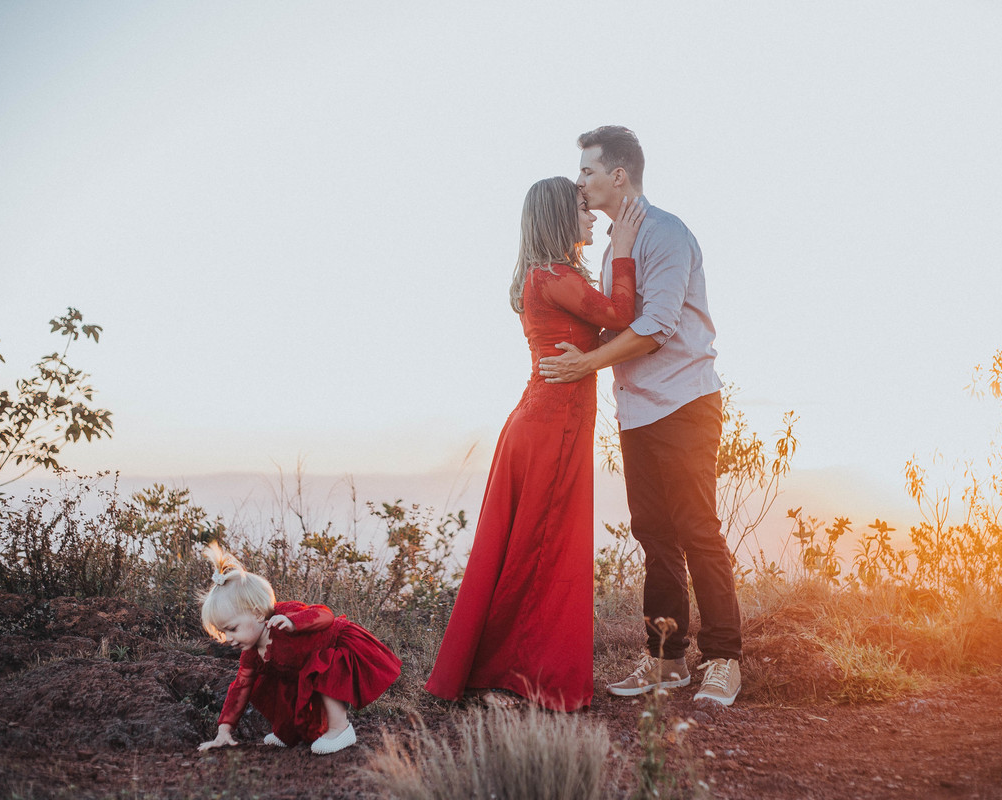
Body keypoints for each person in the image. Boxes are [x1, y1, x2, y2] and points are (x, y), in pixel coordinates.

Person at [538, 125, 743, 706]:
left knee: (698, 530)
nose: (580, 182)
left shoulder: (667, 234)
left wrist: (588, 365)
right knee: (654, 535)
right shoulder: (614, 247)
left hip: (684, 404)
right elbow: (616, 319)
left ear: (618, 176)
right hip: (637, 412)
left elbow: (656, 328)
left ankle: (725, 659)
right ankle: (667, 661)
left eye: (587, 171)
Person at [424, 175, 644, 711]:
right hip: (552, 429)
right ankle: (515, 675)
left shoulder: (545, 274)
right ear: (557, 218)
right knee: (540, 553)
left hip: (541, 423)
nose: (592, 215)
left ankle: (503, 670)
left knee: (527, 551)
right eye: (582, 209)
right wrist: (624, 252)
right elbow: (621, 317)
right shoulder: (556, 277)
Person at [197, 543, 401, 754]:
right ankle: (289, 732)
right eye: (223, 632)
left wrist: (294, 622)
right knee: (276, 683)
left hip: (339, 647)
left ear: (258, 614)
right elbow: (240, 689)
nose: (228, 638)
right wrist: (224, 729)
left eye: (232, 628)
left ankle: (341, 729)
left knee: (323, 665)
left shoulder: (283, 616)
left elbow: (325, 615)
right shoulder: (251, 654)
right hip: (306, 666)